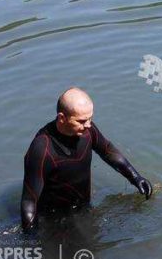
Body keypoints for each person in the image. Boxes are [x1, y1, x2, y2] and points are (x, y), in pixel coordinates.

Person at [20, 88, 152, 230]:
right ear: (62, 118)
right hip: (54, 220)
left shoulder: (87, 130)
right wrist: (31, 240)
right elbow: (29, 201)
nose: (88, 125)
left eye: (90, 119)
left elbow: (108, 152)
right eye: (82, 121)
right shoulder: (41, 148)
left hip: (84, 209)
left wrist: (136, 177)